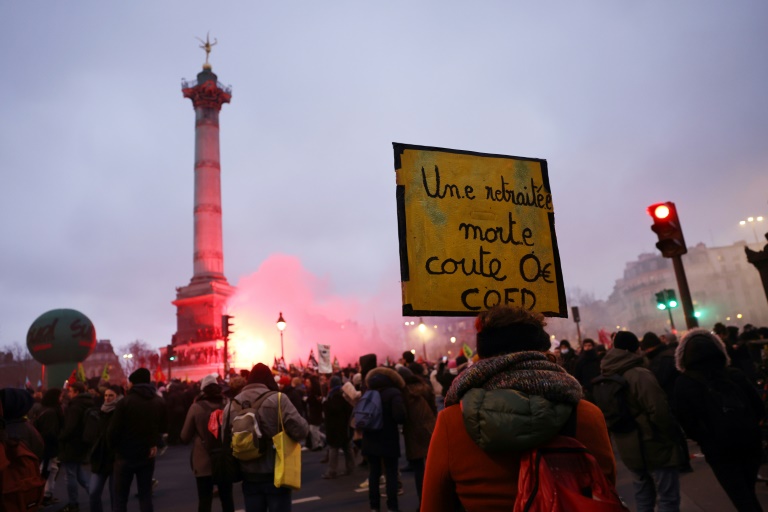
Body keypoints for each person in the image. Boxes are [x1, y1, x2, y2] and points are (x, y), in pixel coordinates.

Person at [421, 305, 616, 511]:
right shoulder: (587, 414)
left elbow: (433, 504)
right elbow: (604, 489)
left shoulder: (451, 422)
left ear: (483, 353)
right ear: (544, 350)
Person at [673, 328, 764, 511]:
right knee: (748, 490)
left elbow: (685, 420)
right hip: (749, 440)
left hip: (718, 449)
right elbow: (759, 406)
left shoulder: (684, 383)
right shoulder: (734, 374)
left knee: (740, 496)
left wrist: (704, 438)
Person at [599, 331, 685, 512]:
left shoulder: (606, 374)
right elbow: (659, 410)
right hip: (653, 441)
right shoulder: (638, 373)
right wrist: (671, 434)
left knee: (643, 496)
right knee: (668, 497)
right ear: (636, 349)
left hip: (627, 445)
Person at [225, 363, 308, 512]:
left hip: (248, 474)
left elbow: (224, 439)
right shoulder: (278, 399)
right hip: (276, 472)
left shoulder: (231, 404)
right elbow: (301, 430)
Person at [108, 368, 167, 512]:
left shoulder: (125, 402)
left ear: (133, 383)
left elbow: (113, 430)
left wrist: (114, 449)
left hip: (125, 454)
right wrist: (154, 443)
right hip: (147, 454)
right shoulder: (158, 401)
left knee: (120, 498)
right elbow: (163, 427)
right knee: (145, 495)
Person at [181, 374, 234, 512]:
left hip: (203, 460)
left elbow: (184, 436)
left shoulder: (196, 407)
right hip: (225, 459)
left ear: (203, 390)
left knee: (204, 501)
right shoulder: (227, 404)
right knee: (227, 499)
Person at [362, 365, 406, 512]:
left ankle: (374, 506)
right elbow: (400, 416)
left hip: (370, 439)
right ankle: (392, 506)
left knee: (373, 474)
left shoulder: (368, 392)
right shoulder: (393, 393)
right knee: (391, 474)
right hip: (388, 439)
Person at [398, 366, 437, 509]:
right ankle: (437, 499)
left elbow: (402, 415)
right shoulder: (424, 387)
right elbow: (433, 406)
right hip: (429, 426)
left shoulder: (403, 393)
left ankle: (423, 502)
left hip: (413, 431)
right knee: (434, 465)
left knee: (419, 470)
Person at [58, 382, 96, 512]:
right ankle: (93, 494)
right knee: (79, 473)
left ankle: (73, 503)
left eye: (71, 391)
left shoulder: (75, 406)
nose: (69, 393)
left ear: (76, 392)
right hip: (82, 443)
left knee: (70, 475)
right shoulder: (88, 403)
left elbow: (70, 427)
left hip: (72, 444)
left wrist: (61, 436)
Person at [88, 384, 123, 512]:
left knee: (115, 495)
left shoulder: (121, 412)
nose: (107, 398)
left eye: (111, 396)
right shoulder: (100, 412)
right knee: (93, 492)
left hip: (115, 458)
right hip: (100, 458)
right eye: (106, 395)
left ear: (117, 397)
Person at [34, 388, 64, 507]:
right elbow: (50, 433)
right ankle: (41, 497)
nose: (62, 398)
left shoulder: (46, 409)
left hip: (47, 447)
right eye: (60, 396)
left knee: (51, 469)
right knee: (45, 471)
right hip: (48, 448)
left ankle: (46, 494)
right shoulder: (51, 412)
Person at [321, 375, 355, 479]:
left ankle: (332, 471)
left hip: (334, 428)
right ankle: (350, 468)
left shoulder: (333, 396)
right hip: (344, 427)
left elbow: (333, 409)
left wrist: (325, 403)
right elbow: (349, 409)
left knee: (334, 449)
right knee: (347, 447)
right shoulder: (344, 395)